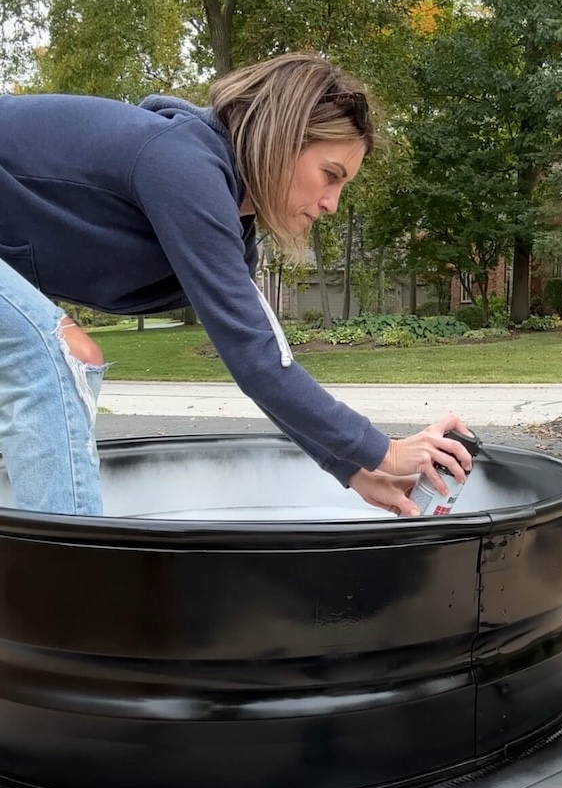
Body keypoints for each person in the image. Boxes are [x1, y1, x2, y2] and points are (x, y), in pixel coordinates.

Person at [0, 52, 474, 517]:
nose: (331, 203)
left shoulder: (228, 229)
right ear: (281, 138)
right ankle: (65, 588)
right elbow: (258, 363)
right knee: (55, 355)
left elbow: (264, 362)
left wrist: (350, 469)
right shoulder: (182, 162)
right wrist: (384, 451)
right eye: (330, 175)